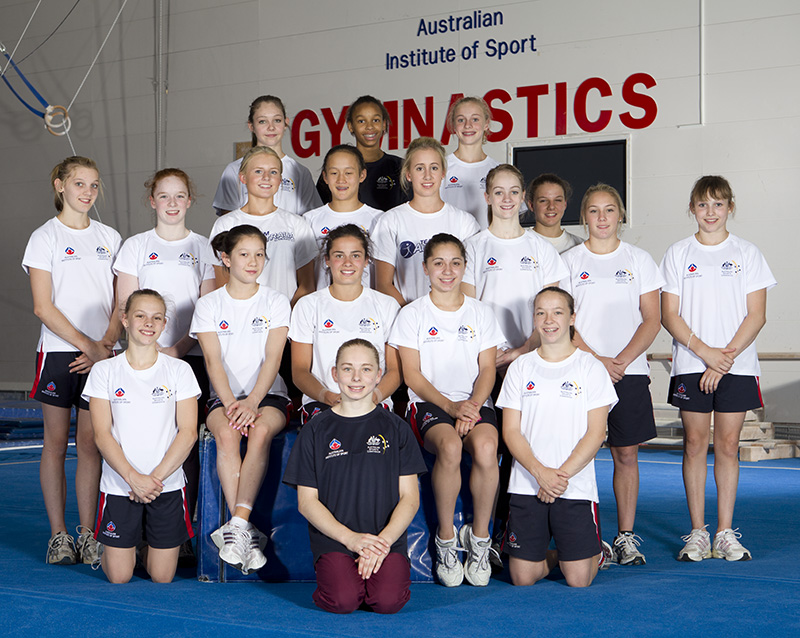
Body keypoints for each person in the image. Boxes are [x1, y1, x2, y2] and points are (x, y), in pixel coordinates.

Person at [660, 175, 775, 562]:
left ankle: (724, 532)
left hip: (736, 365)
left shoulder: (747, 253)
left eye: (718, 204)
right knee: (694, 445)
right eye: (703, 204)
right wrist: (705, 353)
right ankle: (697, 533)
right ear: (692, 208)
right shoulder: (677, 253)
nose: (711, 212)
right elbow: (669, 315)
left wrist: (723, 360)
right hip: (693, 362)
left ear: (730, 207)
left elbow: (756, 316)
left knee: (727, 446)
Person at [390, 234, 505, 587]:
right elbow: (412, 374)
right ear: (425, 268)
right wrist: (450, 406)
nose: (447, 270)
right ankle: (446, 539)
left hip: (473, 402)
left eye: (455, 262)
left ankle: (480, 538)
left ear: (465, 267)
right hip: (429, 404)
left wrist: (471, 406)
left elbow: (488, 369)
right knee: (451, 447)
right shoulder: (412, 314)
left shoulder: (481, 312)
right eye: (438, 263)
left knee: (486, 447)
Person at [22, 156, 121, 565]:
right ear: (60, 185)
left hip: (102, 352)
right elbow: (43, 307)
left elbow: (122, 301)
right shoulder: (44, 237)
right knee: (55, 445)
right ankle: (58, 535)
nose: (87, 192)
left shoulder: (110, 236)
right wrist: (87, 345)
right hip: (61, 353)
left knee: (91, 446)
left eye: (94, 185)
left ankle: (87, 533)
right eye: (79, 184)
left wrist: (106, 344)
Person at [560, 184, 663, 566]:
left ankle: (625, 536)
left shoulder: (639, 259)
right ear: (583, 216)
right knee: (578, 455)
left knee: (625, 455)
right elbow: (564, 320)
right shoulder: (569, 262)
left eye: (609, 210)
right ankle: (585, 534)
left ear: (621, 214)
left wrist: (619, 360)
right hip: (582, 372)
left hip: (629, 372)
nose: (602, 218)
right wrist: (596, 360)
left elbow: (652, 319)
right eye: (593, 211)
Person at [283, 339, 426, 614]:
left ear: (378, 374)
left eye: (366, 369)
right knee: (343, 601)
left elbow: (410, 498)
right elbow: (307, 502)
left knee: (388, 602)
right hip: (335, 540)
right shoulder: (315, 430)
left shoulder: (396, 428)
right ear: (335, 374)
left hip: (386, 538)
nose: (357, 378)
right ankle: (346, 578)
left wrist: (381, 543)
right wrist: (351, 540)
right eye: (348, 369)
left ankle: (372, 573)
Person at [114, 168, 215, 537]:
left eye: (179, 196)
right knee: (140, 438)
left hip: (189, 357)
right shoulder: (135, 246)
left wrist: (177, 349)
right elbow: (127, 305)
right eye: (164, 196)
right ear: (151, 201)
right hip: (143, 358)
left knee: (184, 444)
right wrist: (152, 351)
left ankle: (181, 530)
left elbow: (207, 307)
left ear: (189, 201)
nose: (172, 204)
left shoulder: (204, 247)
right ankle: (133, 528)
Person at [497, 287, 618, 587]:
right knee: (522, 578)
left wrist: (558, 478)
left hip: (573, 485)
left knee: (578, 580)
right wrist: (541, 474)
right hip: (529, 483)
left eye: (558, 312)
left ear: (572, 318)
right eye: (541, 313)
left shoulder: (591, 368)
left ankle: (593, 554)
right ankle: (556, 557)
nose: (548, 320)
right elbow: (511, 431)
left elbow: (596, 432)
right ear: (534, 319)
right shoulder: (520, 368)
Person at [190, 225, 291, 573]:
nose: (253, 261)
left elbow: (273, 359)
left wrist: (252, 404)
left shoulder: (276, 301)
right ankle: (243, 530)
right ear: (225, 258)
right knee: (227, 434)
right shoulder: (208, 305)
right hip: (224, 398)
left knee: (261, 432)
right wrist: (233, 403)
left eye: (259, 254)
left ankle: (236, 525)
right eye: (244, 254)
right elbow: (213, 361)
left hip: (269, 395)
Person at [85, 289, 199, 583]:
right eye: (140, 315)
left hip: (167, 485)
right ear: (124, 319)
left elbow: (187, 434)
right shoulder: (104, 371)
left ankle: (144, 542)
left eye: (156, 317)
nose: (148, 323)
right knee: (119, 577)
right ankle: (118, 547)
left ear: (163, 324)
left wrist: (153, 480)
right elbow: (101, 434)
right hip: (121, 485)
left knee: (162, 577)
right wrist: (133, 478)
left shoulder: (179, 370)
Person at [290, 225, 401, 423]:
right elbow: (299, 370)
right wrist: (327, 396)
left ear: (367, 261)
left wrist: (374, 396)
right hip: (322, 401)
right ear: (327, 260)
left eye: (356, 255)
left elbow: (395, 369)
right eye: (339, 255)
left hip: (374, 400)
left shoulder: (386, 305)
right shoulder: (308, 305)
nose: (347, 263)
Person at [463, 164, 568, 366]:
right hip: (486, 358)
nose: (507, 199)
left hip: (534, 355)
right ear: (487, 198)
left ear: (522, 196)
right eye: (499, 192)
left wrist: (524, 349)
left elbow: (553, 312)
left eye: (514, 192)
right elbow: (468, 309)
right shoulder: (472, 247)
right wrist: (491, 351)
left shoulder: (542, 248)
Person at [205, 146, 316, 307]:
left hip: (285, 325)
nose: (266, 177)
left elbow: (307, 285)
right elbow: (222, 282)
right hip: (239, 320)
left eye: (273, 172)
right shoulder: (226, 224)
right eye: (258, 171)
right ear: (243, 177)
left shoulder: (297, 224)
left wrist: (285, 319)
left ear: (280, 179)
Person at [373, 137, 479, 306]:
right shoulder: (390, 221)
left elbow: (469, 282)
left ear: (443, 173)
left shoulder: (464, 222)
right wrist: (412, 316)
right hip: (407, 319)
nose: (427, 175)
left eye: (434, 168)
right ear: (408, 174)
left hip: (452, 320)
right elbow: (383, 285)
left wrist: (451, 314)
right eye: (420, 168)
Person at [212, 95, 321, 216]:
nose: (271, 127)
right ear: (251, 126)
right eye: (262, 121)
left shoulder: (300, 172)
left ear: (286, 123)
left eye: (277, 120)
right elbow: (228, 223)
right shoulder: (234, 170)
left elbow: (311, 219)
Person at [303, 145, 384, 289]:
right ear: (325, 177)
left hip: (367, 307)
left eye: (348, 173)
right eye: (334, 173)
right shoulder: (309, 220)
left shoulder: (379, 219)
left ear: (362, 175)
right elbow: (305, 278)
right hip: (323, 306)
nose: (341, 180)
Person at [316, 95, 407, 211]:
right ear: (350, 126)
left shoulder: (400, 167)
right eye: (361, 121)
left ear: (384, 124)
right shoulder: (335, 168)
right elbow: (321, 212)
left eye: (375, 120)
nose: (369, 127)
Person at [440, 96, 500, 230]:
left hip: (487, 249)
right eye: (461, 120)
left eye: (475, 119)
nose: (468, 125)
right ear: (454, 126)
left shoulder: (498, 170)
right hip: (450, 247)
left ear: (486, 124)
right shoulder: (440, 167)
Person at [521, 174, 582, 254]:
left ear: (565, 204)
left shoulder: (579, 246)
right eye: (543, 200)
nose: (551, 206)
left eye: (558, 200)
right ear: (531, 205)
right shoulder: (521, 243)